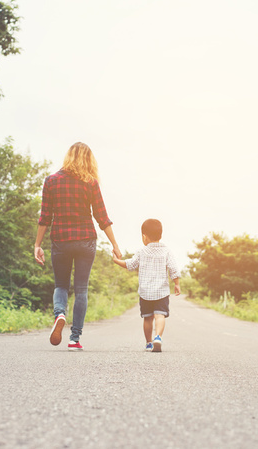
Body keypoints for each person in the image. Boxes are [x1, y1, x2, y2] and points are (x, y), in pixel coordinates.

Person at [34, 142, 122, 351]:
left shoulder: (51, 181)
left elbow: (45, 217)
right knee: (81, 289)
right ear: (88, 159)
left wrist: (37, 244)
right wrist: (115, 245)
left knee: (61, 285)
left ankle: (60, 314)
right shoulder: (90, 183)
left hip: (61, 240)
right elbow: (102, 217)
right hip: (86, 240)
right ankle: (75, 339)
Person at [112, 219, 181, 352]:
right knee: (160, 316)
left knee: (147, 318)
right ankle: (158, 338)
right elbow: (173, 268)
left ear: (144, 236)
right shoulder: (167, 251)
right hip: (161, 292)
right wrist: (176, 284)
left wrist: (117, 261)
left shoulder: (141, 251)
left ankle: (149, 343)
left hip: (145, 292)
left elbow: (130, 264)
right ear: (160, 235)